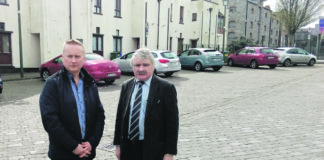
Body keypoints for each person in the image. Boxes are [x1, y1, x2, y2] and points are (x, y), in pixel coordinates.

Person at [39, 39, 105, 160]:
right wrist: (73, 146)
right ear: (63, 58)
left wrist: (92, 143)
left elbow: (99, 116)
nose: (73, 60)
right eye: (69, 56)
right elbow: (50, 121)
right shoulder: (52, 84)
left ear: (84, 58)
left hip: (87, 153)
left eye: (77, 56)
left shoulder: (90, 83)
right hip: (63, 154)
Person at [113, 48, 179, 160]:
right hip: (128, 146)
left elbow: (172, 124)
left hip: (153, 149)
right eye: (137, 65)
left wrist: (169, 153)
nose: (141, 68)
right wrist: (118, 145)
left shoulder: (166, 88)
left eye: (145, 65)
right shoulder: (126, 86)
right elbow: (120, 118)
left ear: (153, 66)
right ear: (132, 66)